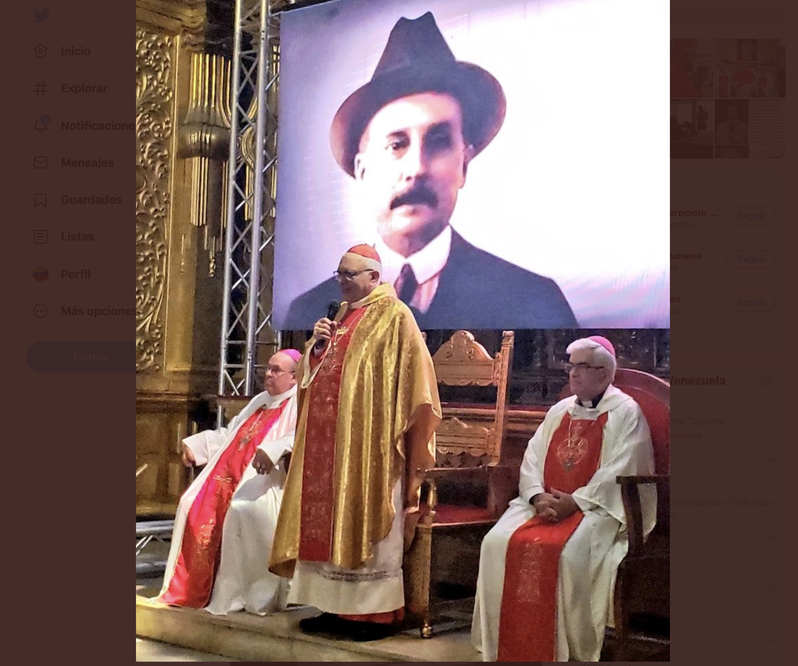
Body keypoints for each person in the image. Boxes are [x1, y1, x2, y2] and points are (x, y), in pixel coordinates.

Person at [284, 12, 577, 331]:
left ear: (464, 164)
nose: (416, 168)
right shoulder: (311, 311)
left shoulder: (534, 302)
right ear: (363, 170)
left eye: (438, 142)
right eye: (396, 144)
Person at [270, 243, 441, 641]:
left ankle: (372, 615)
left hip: (371, 446)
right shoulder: (340, 318)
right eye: (340, 274)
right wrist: (315, 348)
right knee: (324, 525)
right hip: (327, 446)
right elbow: (313, 377)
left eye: (350, 274)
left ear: (374, 277)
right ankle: (332, 607)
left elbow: (417, 382)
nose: (342, 282)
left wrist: (393, 426)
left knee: (364, 523)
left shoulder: (396, 317)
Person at [471, 336, 655, 662]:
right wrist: (537, 495)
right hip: (544, 505)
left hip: (596, 509)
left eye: (581, 367)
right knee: (495, 541)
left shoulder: (626, 413)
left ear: (604, 373)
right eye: (571, 366)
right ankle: (505, 645)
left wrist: (575, 502)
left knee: (568, 554)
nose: (572, 373)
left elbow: (622, 467)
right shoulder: (559, 410)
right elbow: (532, 459)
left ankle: (569, 650)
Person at [155, 350, 301, 615]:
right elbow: (230, 433)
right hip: (227, 475)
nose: (268, 374)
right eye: (268, 368)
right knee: (190, 502)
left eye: (276, 370)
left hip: (269, 480)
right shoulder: (260, 400)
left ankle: (241, 593)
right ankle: (192, 589)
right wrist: (198, 444)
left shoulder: (300, 402)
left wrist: (275, 448)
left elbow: (300, 438)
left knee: (242, 509)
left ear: (294, 377)